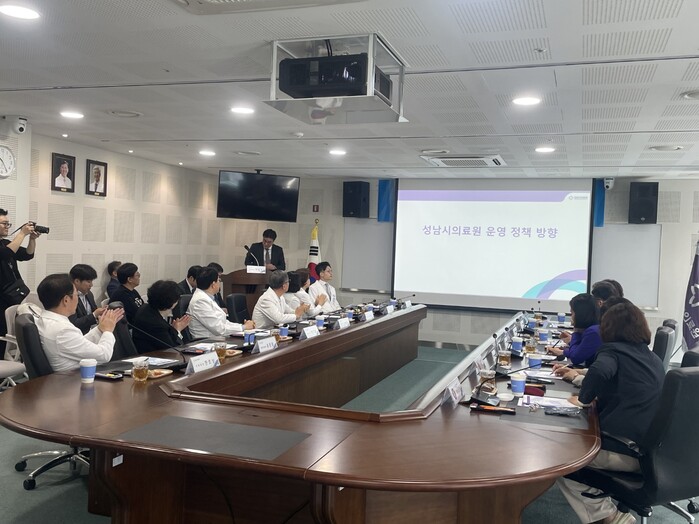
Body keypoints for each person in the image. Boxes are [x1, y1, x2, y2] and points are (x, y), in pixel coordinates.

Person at [556, 301, 665, 524]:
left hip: (628, 452)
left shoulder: (613, 351)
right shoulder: (651, 358)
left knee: (562, 459)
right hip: (655, 453)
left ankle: (609, 517)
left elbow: (600, 370)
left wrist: (583, 400)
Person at [35, 273, 123, 372]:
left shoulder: (46, 320)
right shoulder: (62, 330)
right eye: (76, 294)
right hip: (75, 378)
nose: (78, 299)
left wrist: (100, 329)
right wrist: (108, 331)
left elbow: (79, 343)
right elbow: (104, 355)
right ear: (66, 300)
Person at [0, 213, 41, 358]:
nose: (7, 227)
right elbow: (5, 254)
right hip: (1, 298)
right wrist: (22, 233)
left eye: (8, 224)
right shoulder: (6, 247)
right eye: (4, 223)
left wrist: (32, 239)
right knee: (1, 333)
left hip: (11, 295)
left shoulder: (5, 243)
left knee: (8, 331)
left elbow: (27, 254)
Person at [187, 267, 254, 339]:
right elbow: (219, 329)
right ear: (213, 284)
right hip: (207, 342)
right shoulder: (200, 301)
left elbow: (224, 323)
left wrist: (243, 326)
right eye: (218, 280)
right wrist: (243, 327)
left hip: (217, 340)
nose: (219, 283)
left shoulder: (207, 297)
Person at [132, 280, 191, 354]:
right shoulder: (156, 324)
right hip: (153, 356)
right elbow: (172, 349)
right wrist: (177, 330)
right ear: (171, 302)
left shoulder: (145, 308)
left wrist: (173, 329)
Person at [546, 293, 601, 367]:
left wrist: (576, 332)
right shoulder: (593, 328)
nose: (571, 317)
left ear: (580, 315)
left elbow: (576, 358)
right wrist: (570, 341)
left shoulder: (593, 332)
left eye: (572, 313)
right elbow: (581, 351)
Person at [68, 264, 106, 335]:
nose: (91, 285)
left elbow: (94, 311)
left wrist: (102, 312)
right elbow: (74, 323)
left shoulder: (89, 294)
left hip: (93, 330)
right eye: (88, 281)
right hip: (79, 334)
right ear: (77, 281)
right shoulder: (69, 297)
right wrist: (94, 315)